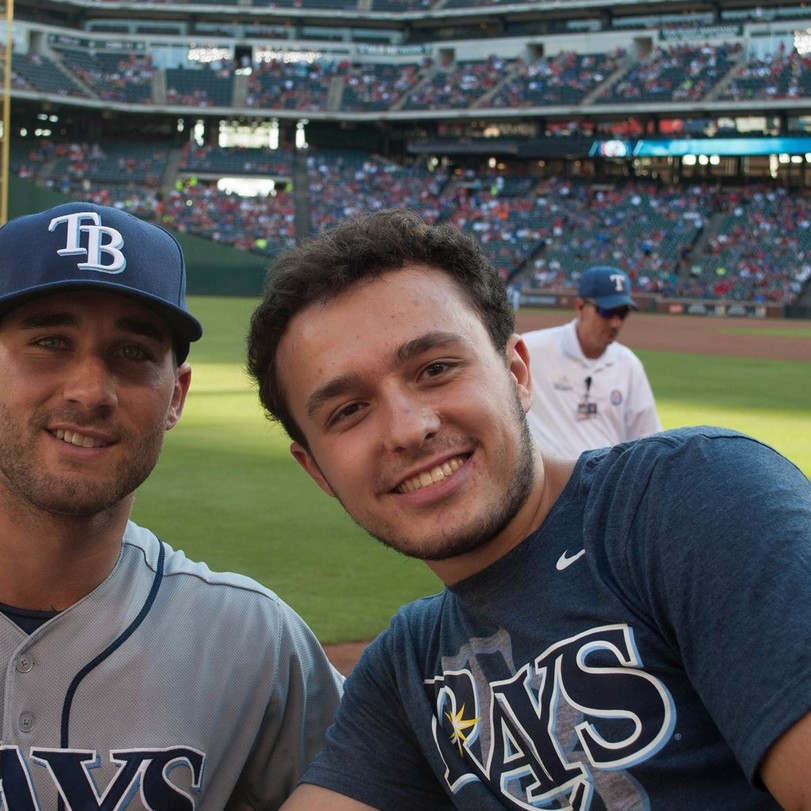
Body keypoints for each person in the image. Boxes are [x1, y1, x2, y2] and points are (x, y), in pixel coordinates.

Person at [246, 208, 811, 810]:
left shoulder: (693, 498)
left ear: (516, 372)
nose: (408, 430)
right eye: (348, 411)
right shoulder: (406, 669)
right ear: (317, 471)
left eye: (436, 369)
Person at [0, 201, 342, 810]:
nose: (89, 390)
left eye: (132, 353)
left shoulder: (254, 644)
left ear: (175, 397)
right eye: (50, 341)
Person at [522, 265, 662, 457]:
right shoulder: (531, 350)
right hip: (547, 484)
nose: (615, 323)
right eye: (606, 311)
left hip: (606, 483)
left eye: (622, 313)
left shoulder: (628, 364)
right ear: (580, 307)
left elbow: (648, 438)